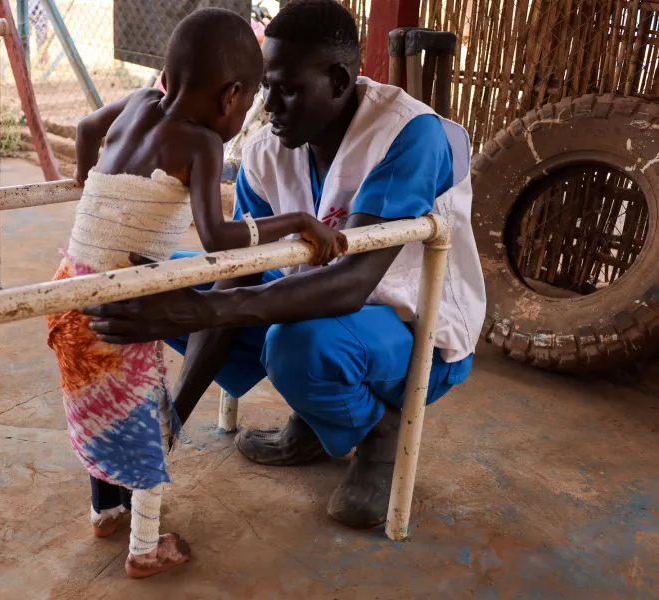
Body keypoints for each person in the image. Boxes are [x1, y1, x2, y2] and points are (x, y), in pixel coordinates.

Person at [83, 0, 486, 530]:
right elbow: (238, 266)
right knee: (156, 281)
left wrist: (196, 312)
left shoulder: (407, 135)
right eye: (263, 85)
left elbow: (352, 282)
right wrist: (171, 420)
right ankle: (318, 422)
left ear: (340, 80)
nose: (268, 105)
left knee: (295, 345)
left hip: (414, 332)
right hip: (323, 307)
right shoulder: (269, 147)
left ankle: (382, 433)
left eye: (286, 88)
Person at [45, 7, 346, 579]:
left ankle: (105, 509)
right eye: (253, 99)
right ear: (232, 96)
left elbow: (86, 132)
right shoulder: (203, 144)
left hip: (69, 287)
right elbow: (216, 238)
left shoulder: (136, 104)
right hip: (122, 300)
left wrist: (89, 186)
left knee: (97, 409)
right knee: (145, 420)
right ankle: (145, 546)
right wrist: (295, 221)